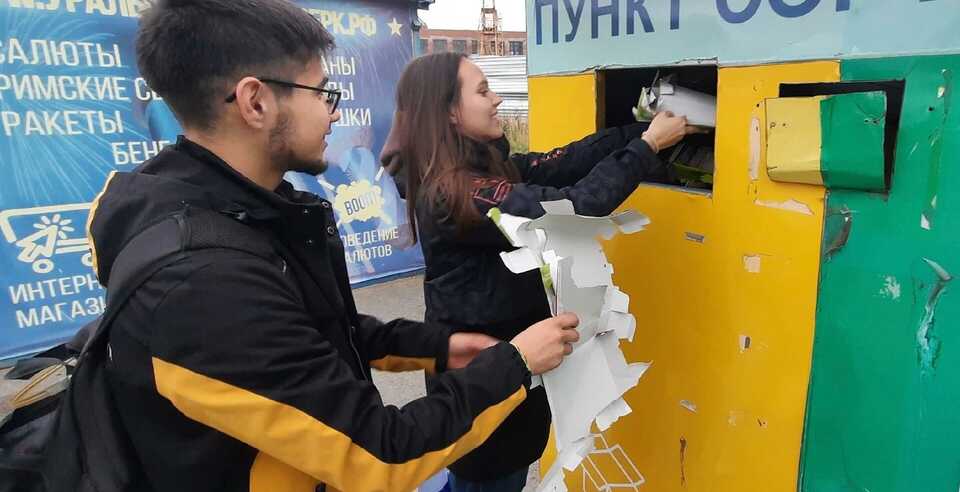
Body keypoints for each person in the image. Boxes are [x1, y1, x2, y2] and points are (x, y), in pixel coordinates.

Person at [85, 1, 580, 491]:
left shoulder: (251, 210)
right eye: (322, 93)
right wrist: (514, 362)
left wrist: (437, 347)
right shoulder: (202, 281)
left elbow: (315, 332)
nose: (333, 112)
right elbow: (379, 456)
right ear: (255, 102)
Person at [380, 52, 696, 491]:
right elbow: (573, 209)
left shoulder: (479, 171)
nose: (496, 99)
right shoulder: (457, 193)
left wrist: (638, 131)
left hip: (506, 373)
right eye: (483, 90)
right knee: (490, 478)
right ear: (450, 112)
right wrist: (647, 147)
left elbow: (560, 162)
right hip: (485, 384)